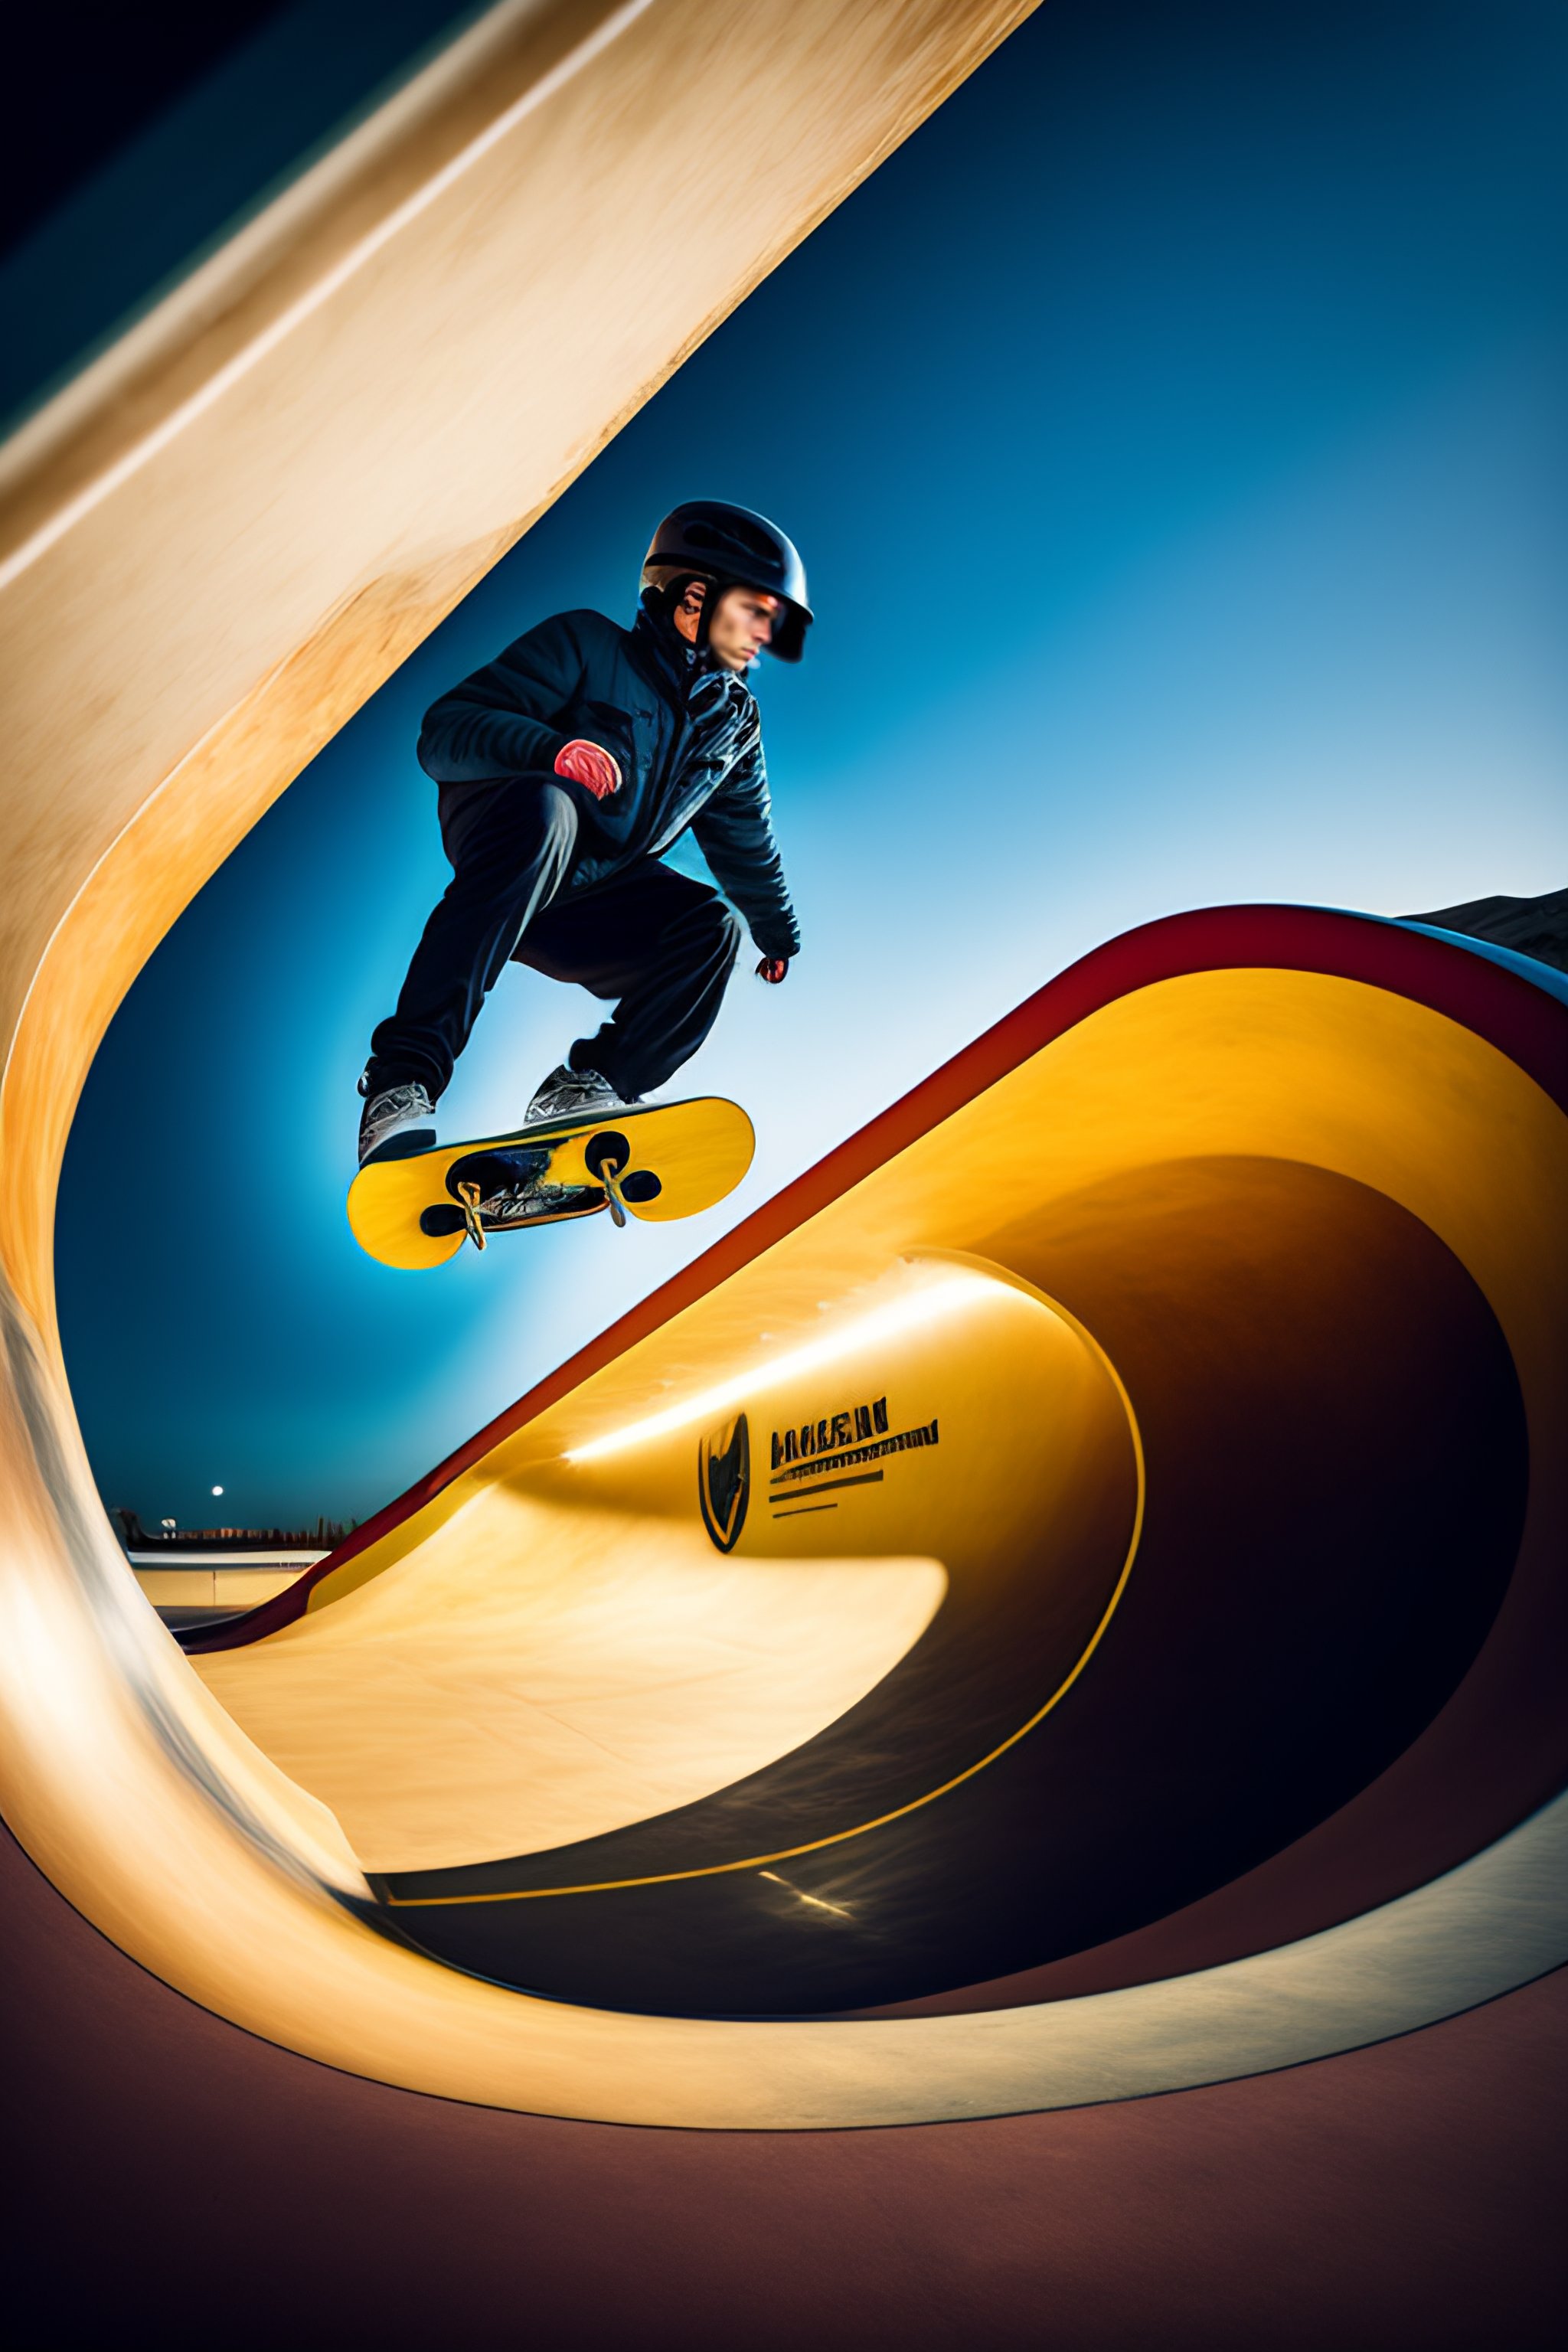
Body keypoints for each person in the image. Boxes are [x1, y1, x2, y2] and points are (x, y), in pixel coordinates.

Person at [355, 500, 810, 1197]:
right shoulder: (588, 645)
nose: (764, 635)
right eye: (754, 611)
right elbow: (445, 730)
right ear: (694, 597)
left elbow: (746, 837)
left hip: (585, 898)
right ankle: (401, 1084)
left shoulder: (733, 726)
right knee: (552, 812)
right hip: (509, 844)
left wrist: (777, 932)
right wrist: (551, 749)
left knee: (711, 926)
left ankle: (589, 1087)